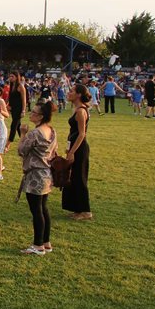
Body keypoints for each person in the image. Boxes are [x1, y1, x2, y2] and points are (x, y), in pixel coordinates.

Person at [17, 102, 58, 255]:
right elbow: (55, 151)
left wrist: (23, 134)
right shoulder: (52, 131)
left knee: (36, 211)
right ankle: (46, 242)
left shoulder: (34, 133)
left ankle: (38, 245)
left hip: (35, 175)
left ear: (40, 116)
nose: (31, 114)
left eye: (33, 112)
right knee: (43, 208)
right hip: (47, 174)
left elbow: (21, 150)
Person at [62, 84, 92, 221]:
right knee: (73, 178)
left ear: (79, 94)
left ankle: (86, 211)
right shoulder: (76, 109)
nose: (69, 93)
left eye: (72, 91)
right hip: (74, 147)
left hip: (80, 149)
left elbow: (81, 134)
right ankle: (77, 208)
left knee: (80, 178)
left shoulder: (81, 111)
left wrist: (72, 152)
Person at [6, 72, 27, 144]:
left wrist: (23, 110)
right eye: (10, 76)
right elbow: (10, 97)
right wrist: (7, 104)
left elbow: (24, 99)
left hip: (19, 109)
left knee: (14, 125)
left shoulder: (21, 86)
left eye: (12, 76)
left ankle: (8, 143)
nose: (10, 78)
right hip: (13, 108)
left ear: (16, 77)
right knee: (18, 125)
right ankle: (24, 139)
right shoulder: (12, 85)